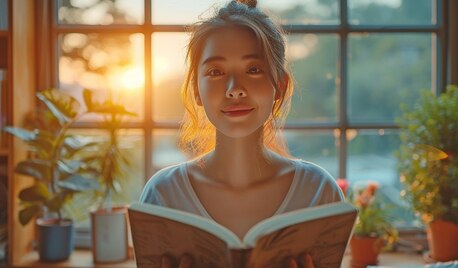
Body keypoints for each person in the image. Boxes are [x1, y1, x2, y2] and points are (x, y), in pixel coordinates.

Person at [139, 0, 344, 267]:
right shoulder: (162, 195)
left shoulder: (319, 193)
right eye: (215, 72)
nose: (235, 89)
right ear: (196, 90)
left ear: (279, 86)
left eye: (254, 69)